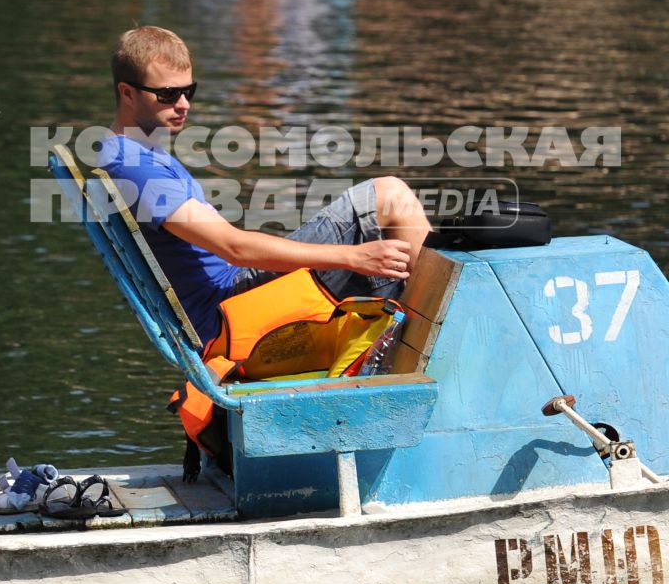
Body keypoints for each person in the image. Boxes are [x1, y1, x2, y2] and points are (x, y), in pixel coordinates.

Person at [95, 26, 430, 347]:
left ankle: (432, 327)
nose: (183, 104)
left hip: (226, 294)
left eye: (188, 91)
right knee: (388, 196)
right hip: (226, 310)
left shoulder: (132, 151)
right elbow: (234, 248)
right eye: (168, 94)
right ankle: (444, 326)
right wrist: (353, 257)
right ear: (127, 92)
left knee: (387, 234)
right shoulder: (135, 168)